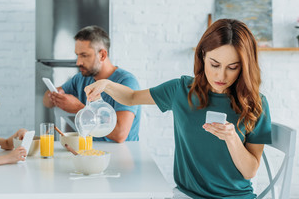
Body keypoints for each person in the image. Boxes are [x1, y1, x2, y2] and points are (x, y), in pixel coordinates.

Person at [84, 19, 272, 198]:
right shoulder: (181, 90)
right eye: (214, 64)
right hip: (186, 195)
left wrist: (232, 139)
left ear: (244, 67)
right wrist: (106, 84)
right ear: (202, 56)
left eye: (232, 67)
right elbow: (132, 97)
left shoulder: (256, 104)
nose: (221, 75)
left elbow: (250, 172)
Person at [43, 25, 141, 143]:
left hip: (122, 153)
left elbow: (120, 134)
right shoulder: (81, 78)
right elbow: (46, 101)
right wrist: (55, 96)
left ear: (102, 55)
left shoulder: (126, 82)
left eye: (84, 55)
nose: (78, 62)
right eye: (77, 55)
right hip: (90, 150)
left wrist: (79, 109)